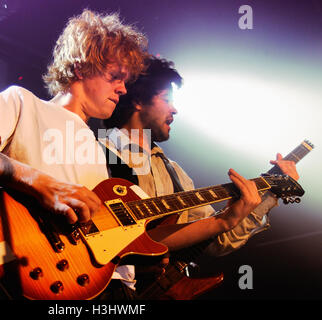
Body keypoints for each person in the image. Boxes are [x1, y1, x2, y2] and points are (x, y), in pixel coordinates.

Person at [0, 9, 149, 300]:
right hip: (39, 275)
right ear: (81, 66)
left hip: (102, 284)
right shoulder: (22, 101)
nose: (122, 88)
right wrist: (45, 185)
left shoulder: (97, 144)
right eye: (115, 76)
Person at [101, 56, 300, 297]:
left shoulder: (174, 173)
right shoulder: (95, 151)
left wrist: (269, 196)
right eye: (166, 100)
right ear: (138, 100)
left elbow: (218, 241)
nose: (175, 109)